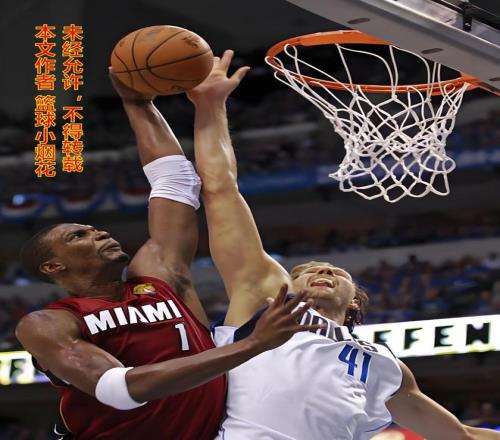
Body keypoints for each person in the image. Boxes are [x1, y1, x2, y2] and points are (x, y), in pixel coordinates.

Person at [187, 49, 500, 440]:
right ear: (288, 288)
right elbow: (221, 190)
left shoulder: (384, 364)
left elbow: (460, 436)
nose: (323, 269)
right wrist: (210, 107)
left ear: (354, 302)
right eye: (306, 271)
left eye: (337, 271)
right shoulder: (262, 302)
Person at [15, 69, 323, 440]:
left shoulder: (158, 276)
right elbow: (121, 389)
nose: (99, 233)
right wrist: (253, 344)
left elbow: (176, 181)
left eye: (96, 229)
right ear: (53, 266)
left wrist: (137, 102)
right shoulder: (47, 323)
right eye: (79, 236)